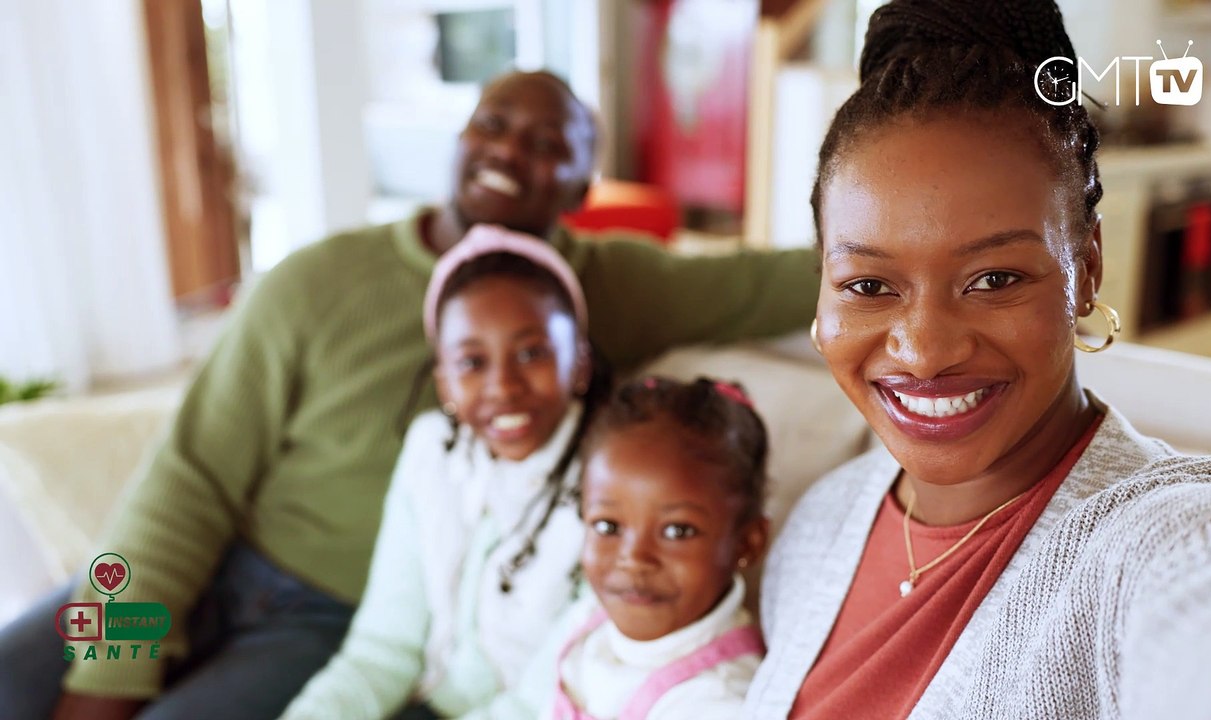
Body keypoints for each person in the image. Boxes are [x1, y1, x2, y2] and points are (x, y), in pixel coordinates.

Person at [0, 70, 818, 720]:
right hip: (210, 569)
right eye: (490, 124)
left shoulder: (612, 285)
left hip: (324, 621)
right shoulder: (318, 281)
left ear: (579, 189)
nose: (508, 150)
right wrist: (109, 664)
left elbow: (770, 282)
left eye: (546, 142)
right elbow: (187, 476)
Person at [745, 1, 1211, 719]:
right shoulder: (818, 528)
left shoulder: (1165, 542)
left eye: (995, 279)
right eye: (869, 286)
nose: (925, 351)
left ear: (1085, 269)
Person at [282, 225, 606, 719]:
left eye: (531, 353)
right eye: (472, 361)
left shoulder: (614, 483)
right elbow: (382, 648)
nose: (503, 386)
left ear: (580, 363)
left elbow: (548, 695)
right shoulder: (431, 450)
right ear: (445, 383)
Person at [543, 376, 771, 720]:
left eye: (677, 531)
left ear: (747, 542)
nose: (633, 559)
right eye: (607, 526)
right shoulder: (590, 618)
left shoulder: (717, 700)